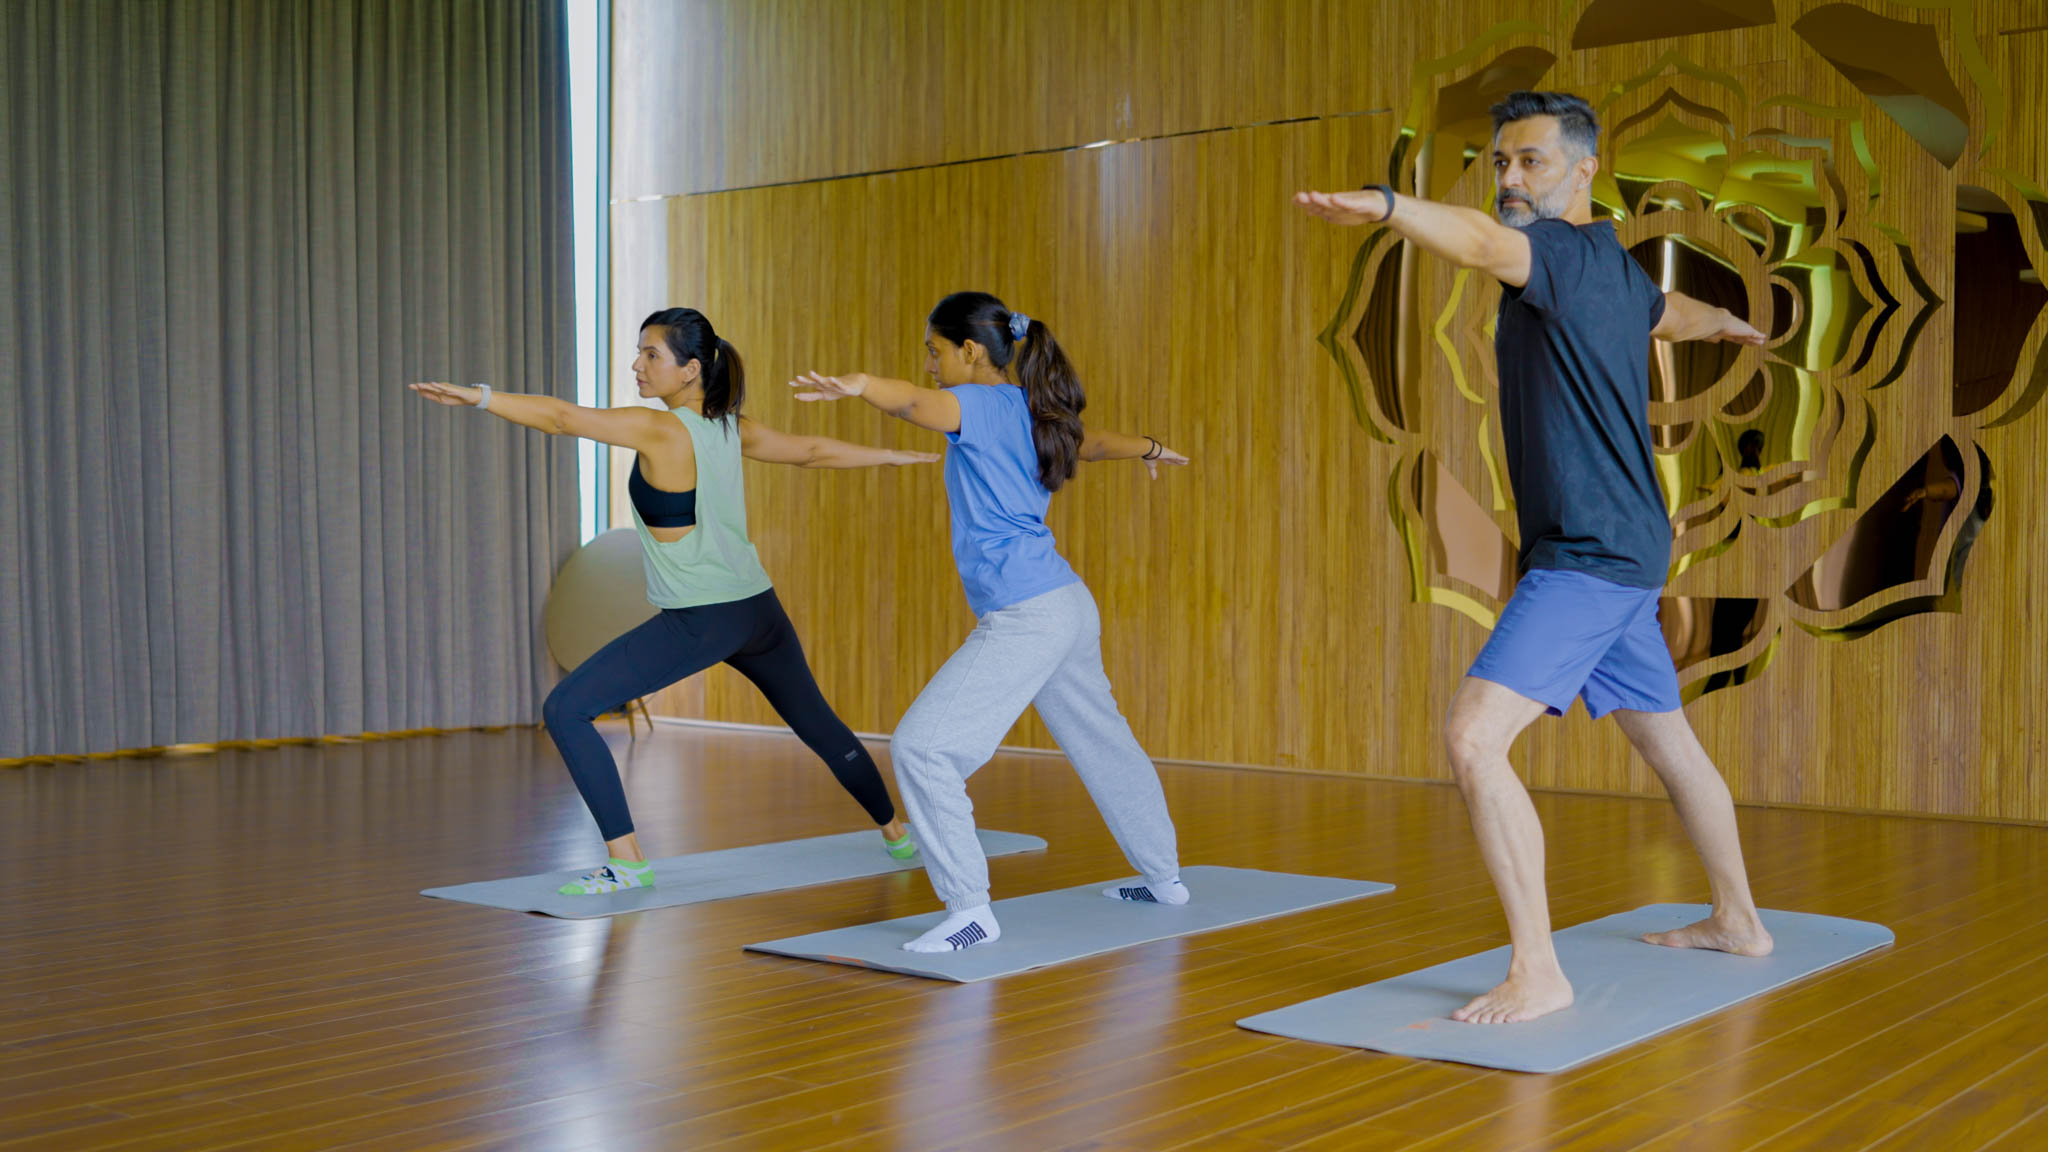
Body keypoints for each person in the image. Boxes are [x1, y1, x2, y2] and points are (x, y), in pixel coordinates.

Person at [1295, 91, 1775, 1023]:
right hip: (1628, 544)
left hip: (1591, 553)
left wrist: (1388, 207)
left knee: (1474, 738)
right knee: (1667, 740)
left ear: (1585, 170)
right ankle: (1739, 921)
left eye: (1532, 162)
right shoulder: (1616, 268)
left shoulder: (1554, 253)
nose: (1510, 179)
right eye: (1501, 164)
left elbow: (1481, 243)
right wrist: (1722, 318)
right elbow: (1668, 312)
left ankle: (1538, 971)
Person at [411, 307, 936, 895]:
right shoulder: (730, 427)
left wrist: (480, 396)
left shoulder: (659, 429)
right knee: (817, 723)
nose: (637, 365)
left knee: (566, 709)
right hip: (757, 609)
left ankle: (628, 863)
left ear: (690, 370)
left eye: (651, 355)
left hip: (702, 618)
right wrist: (891, 456)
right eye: (639, 352)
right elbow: (811, 451)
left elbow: (561, 417)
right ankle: (899, 836)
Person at [789, 291, 1190, 952]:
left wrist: (860, 385)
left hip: (1029, 613)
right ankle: (1164, 877)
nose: (930, 365)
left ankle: (970, 910)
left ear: (971, 351)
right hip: (1066, 604)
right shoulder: (1031, 407)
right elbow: (1093, 443)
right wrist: (1149, 447)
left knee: (924, 749)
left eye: (935, 351)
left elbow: (913, 404)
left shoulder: (974, 403)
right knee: (1105, 743)